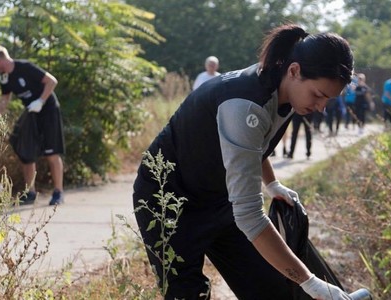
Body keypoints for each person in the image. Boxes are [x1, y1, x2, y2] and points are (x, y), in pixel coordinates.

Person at [132, 24, 354, 300]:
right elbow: (249, 215)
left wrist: (272, 184)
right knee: (187, 294)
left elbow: (252, 147)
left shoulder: (285, 90)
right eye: (319, 95)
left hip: (219, 196)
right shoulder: (245, 104)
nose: (321, 107)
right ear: (294, 71)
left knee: (272, 288)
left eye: (328, 99)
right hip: (168, 199)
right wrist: (309, 281)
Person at [0, 44, 65, 206]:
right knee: (24, 150)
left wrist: (41, 101)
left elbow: (52, 81)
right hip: (31, 113)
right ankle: (30, 193)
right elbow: (4, 101)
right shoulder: (4, 77)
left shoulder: (24, 67)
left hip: (48, 109)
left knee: (52, 152)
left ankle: (58, 192)